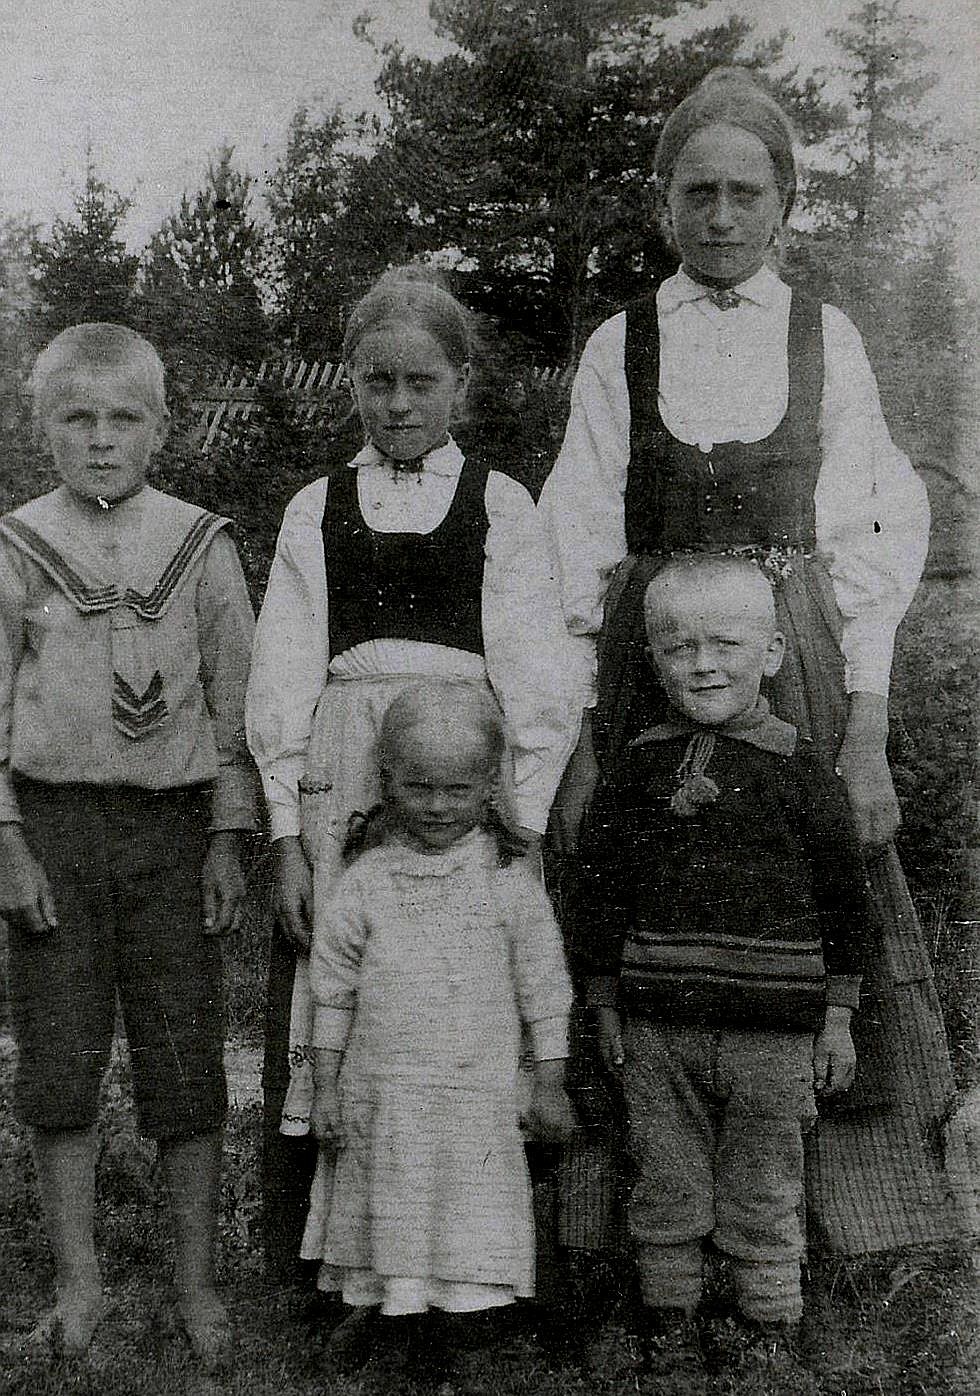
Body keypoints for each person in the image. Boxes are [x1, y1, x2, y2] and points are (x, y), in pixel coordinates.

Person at [538, 65, 975, 1255]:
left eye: (744, 192)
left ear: (784, 201)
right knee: (643, 897)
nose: (720, 216)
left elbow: (874, 538)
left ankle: (836, 1231)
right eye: (697, 194)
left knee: (811, 896)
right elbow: (571, 548)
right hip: (650, 667)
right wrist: (575, 745)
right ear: (661, 204)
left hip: (796, 661)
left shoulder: (823, 338)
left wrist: (866, 733)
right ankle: (634, 1237)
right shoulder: (615, 349)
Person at [245, 267, 578, 1280]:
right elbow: (282, 673)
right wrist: (285, 829)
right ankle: (331, 1260)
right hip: (345, 782)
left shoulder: (502, 504)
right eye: (377, 382)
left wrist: (513, 822)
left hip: (460, 778)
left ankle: (473, 1257)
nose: (397, 405)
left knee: (467, 994)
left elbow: (537, 680)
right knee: (344, 987)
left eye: (420, 383)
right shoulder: (317, 505)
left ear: (459, 384)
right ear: (349, 381)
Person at [0, 323, 258, 1363]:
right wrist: (8, 839)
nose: (100, 439)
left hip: (174, 829)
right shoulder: (15, 544)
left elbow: (239, 707)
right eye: (76, 418)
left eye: (123, 419)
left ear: (163, 428)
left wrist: (230, 836)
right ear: (40, 428)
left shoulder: (202, 542)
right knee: (62, 1064)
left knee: (185, 1064)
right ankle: (81, 1282)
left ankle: (194, 1285)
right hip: (54, 830)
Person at [574, 555, 871, 1391]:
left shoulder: (801, 768)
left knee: (766, 1180)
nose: (703, 663)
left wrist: (838, 1017)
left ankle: (768, 1321)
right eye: (678, 648)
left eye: (726, 644)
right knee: (664, 1172)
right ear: (653, 661)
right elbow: (600, 891)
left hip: (773, 1034)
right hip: (658, 1026)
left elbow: (846, 903)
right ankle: (669, 1320)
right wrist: (603, 1001)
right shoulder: (635, 769)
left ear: (774, 653)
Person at [303, 681, 575, 1375]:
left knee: (467, 1210)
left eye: (456, 789)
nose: (435, 805)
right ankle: (392, 1320)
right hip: (384, 1092)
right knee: (390, 1202)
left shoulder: (509, 881)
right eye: (417, 786)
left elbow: (544, 989)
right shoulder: (365, 881)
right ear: (387, 779)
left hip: (474, 1096)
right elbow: (331, 993)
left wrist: (549, 1081)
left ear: (489, 785)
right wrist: (327, 1091)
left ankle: (462, 1335)